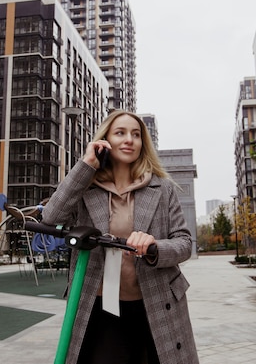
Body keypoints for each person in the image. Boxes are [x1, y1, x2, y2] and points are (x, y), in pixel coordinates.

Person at [42, 110, 199, 364]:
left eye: (136, 135)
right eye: (120, 133)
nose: (129, 140)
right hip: (101, 306)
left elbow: (183, 243)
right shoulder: (86, 189)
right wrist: (86, 166)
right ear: (105, 141)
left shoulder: (162, 188)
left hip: (157, 304)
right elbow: (52, 217)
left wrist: (154, 247)